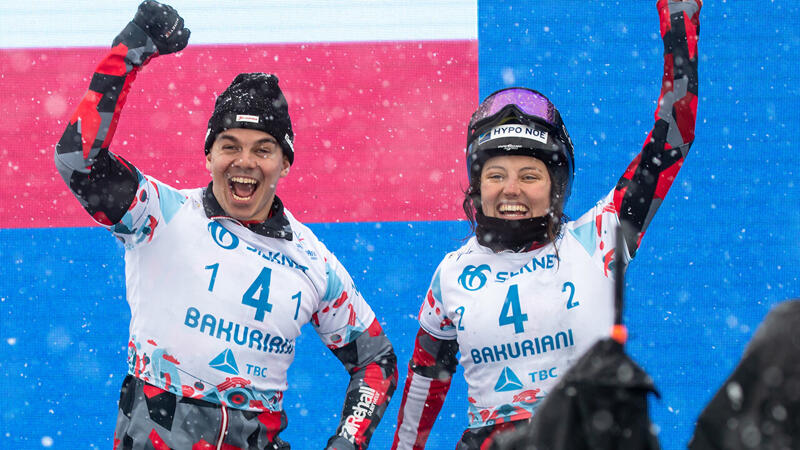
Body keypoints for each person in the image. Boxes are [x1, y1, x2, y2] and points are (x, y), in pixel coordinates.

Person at [54, 2, 396, 449]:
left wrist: (348, 443)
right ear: (209, 155)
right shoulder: (159, 213)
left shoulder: (314, 263)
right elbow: (77, 161)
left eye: (263, 149)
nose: (245, 163)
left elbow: (377, 363)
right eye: (229, 145)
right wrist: (131, 48)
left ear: (285, 164)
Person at [391, 0, 701, 448]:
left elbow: (675, 133)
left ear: (556, 186)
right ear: (476, 187)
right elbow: (424, 385)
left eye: (530, 175)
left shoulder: (600, 238)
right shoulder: (451, 275)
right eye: (495, 175)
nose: (510, 189)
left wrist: (679, 19)